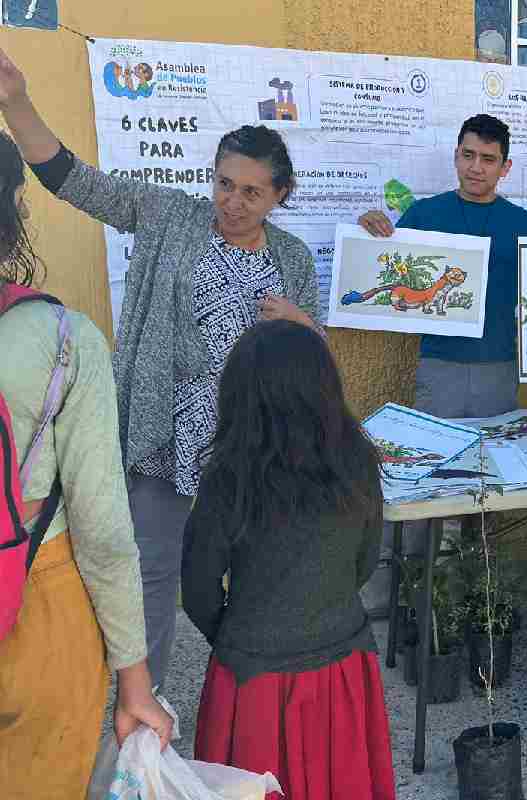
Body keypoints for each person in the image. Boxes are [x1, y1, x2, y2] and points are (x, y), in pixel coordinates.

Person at [0, 47, 321, 688]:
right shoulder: (169, 215)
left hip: (252, 443)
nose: (232, 201)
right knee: (150, 571)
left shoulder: (292, 258)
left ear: (279, 195)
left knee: (255, 570)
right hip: (165, 435)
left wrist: (301, 324)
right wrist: (16, 102)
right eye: (224, 183)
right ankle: (144, 705)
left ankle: (249, 697)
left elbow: (313, 357)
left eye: (252, 192)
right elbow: (71, 178)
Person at [0, 131, 172, 796]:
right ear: (12, 212)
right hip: (35, 597)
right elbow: (102, 531)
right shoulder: (64, 340)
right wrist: (135, 680)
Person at [357, 113, 527, 559]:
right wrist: (371, 229)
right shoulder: (424, 214)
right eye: (468, 155)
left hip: (499, 371)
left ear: (505, 167)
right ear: (456, 156)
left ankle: (477, 578)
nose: (476, 167)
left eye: (488, 159)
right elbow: (383, 263)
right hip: (439, 369)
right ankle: (415, 576)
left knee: (489, 481)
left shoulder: (523, 224)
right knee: (428, 477)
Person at [183, 320, 393, 800]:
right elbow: (364, 562)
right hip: (342, 661)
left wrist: (240, 631)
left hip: (251, 677)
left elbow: (197, 590)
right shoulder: (358, 463)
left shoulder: (228, 477)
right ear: (326, 389)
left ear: (239, 396)